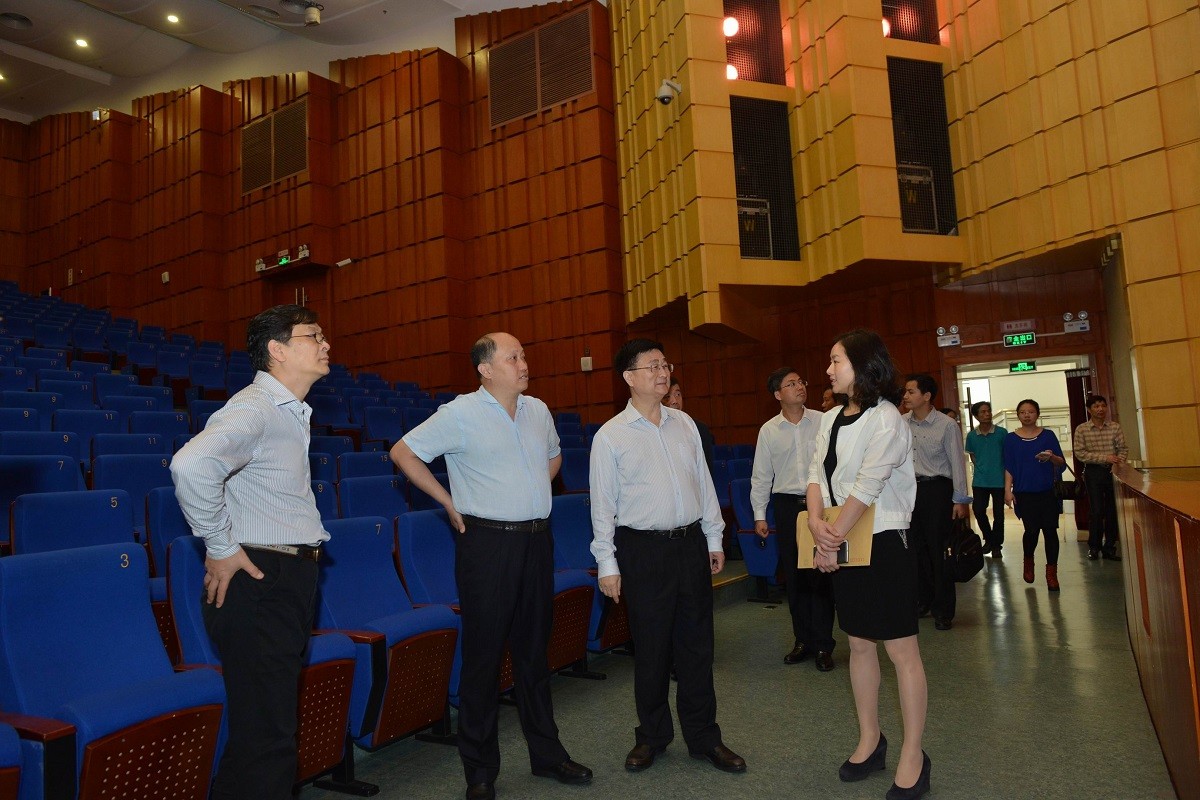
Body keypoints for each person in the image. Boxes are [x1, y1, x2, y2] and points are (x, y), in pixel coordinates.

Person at [391, 333, 591, 800]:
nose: (524, 363)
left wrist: (530, 488)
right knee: (483, 659)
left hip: (537, 542)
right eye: (513, 357)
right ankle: (479, 771)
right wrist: (447, 502)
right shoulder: (460, 413)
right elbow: (403, 452)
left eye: (523, 355)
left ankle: (547, 755)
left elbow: (554, 456)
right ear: (485, 369)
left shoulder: (537, 410)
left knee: (534, 654)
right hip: (487, 545)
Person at [171, 304, 332, 800]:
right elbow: (190, 464)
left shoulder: (287, 411)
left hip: (281, 578)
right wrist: (219, 545)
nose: (326, 344)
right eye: (313, 336)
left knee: (261, 736)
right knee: (269, 740)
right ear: (277, 350)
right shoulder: (257, 407)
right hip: (261, 582)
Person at [590, 338, 746, 775]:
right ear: (629, 377)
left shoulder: (685, 424)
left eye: (665, 365)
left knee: (697, 647)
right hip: (643, 551)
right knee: (652, 649)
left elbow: (704, 484)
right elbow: (602, 507)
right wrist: (607, 564)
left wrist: (714, 538)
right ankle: (652, 736)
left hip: (690, 545)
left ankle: (704, 737)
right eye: (653, 366)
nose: (663, 373)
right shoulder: (610, 436)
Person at [806, 329, 928, 800]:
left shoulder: (887, 419)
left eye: (836, 360)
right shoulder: (829, 418)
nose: (829, 369)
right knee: (858, 643)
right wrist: (816, 524)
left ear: (863, 365)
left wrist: (830, 537)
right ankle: (870, 739)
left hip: (885, 541)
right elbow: (815, 477)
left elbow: (870, 483)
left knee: (901, 651)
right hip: (844, 539)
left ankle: (914, 755)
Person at [749, 367, 834, 670]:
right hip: (786, 507)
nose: (800, 386)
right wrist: (760, 515)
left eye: (801, 381)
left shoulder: (823, 421)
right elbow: (761, 477)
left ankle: (824, 644)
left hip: (820, 504)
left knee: (821, 575)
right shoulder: (769, 430)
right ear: (777, 394)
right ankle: (802, 640)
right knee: (795, 578)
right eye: (791, 383)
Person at [902, 375, 970, 631]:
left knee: (939, 552)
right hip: (909, 491)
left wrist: (959, 499)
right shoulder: (901, 423)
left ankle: (943, 609)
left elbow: (957, 463)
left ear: (927, 396)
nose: (905, 396)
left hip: (937, 491)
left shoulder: (946, 425)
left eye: (911, 391)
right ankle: (924, 600)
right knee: (915, 550)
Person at [1003, 399, 1066, 591]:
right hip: (1024, 492)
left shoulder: (1048, 436)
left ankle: (1051, 573)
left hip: (1048, 491)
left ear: (1037, 414)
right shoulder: (1010, 439)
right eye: (1023, 412)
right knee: (1031, 531)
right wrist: (1007, 490)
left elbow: (1061, 463)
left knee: (1050, 531)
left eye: (1030, 411)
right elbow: (1009, 466)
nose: (1027, 415)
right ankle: (1028, 561)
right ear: (1018, 415)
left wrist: (1051, 457)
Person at [1073, 395, 1127, 561]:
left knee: (1112, 511)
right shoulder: (1082, 429)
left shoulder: (1115, 427)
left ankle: (1110, 548)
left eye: (1103, 406)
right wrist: (1105, 458)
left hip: (1113, 471)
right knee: (1096, 511)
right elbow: (1080, 453)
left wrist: (1117, 463)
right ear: (1089, 410)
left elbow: (1123, 449)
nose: (1100, 409)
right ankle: (1094, 547)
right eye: (1096, 406)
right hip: (1093, 472)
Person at [965, 401, 1007, 557]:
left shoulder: (1002, 433)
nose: (987, 414)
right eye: (982, 412)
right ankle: (989, 539)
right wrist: (982, 468)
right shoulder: (972, 436)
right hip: (980, 481)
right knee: (978, 510)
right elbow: (973, 456)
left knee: (999, 515)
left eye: (988, 411)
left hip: (999, 479)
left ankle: (996, 545)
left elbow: (1008, 455)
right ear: (976, 416)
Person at [666, 379, 715, 471]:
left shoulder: (699, 428)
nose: (674, 401)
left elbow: (706, 470)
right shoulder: (655, 430)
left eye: (678, 394)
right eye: (668, 396)